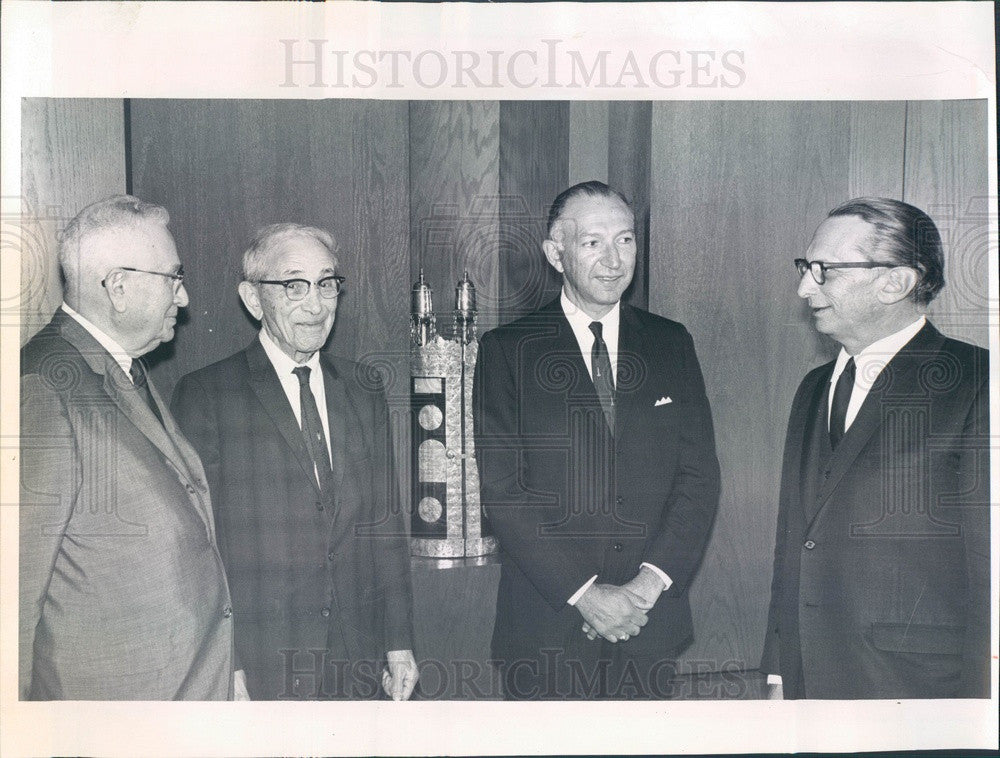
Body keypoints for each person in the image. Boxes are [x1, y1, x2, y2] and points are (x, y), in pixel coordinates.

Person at [473, 181, 721, 699]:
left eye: (625, 240)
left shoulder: (671, 343)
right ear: (555, 254)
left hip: (648, 627)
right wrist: (587, 596)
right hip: (548, 632)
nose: (613, 260)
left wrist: (645, 587)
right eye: (592, 243)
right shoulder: (507, 351)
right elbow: (504, 493)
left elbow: (698, 479)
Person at [171, 223, 417, 700]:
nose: (317, 304)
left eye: (326, 284)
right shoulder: (207, 396)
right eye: (293, 285)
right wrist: (228, 665)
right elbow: (200, 548)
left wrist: (399, 643)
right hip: (263, 660)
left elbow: (384, 524)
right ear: (253, 298)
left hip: (358, 657)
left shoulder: (363, 388)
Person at [761, 197, 990, 699]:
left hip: (919, 690)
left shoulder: (977, 382)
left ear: (896, 282)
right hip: (808, 685)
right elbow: (794, 537)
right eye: (806, 268)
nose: (804, 288)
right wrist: (779, 671)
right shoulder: (813, 386)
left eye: (825, 271)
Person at [19, 195, 239, 700]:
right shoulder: (43, 390)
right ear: (119, 287)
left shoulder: (124, 368)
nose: (183, 299)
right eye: (173, 278)